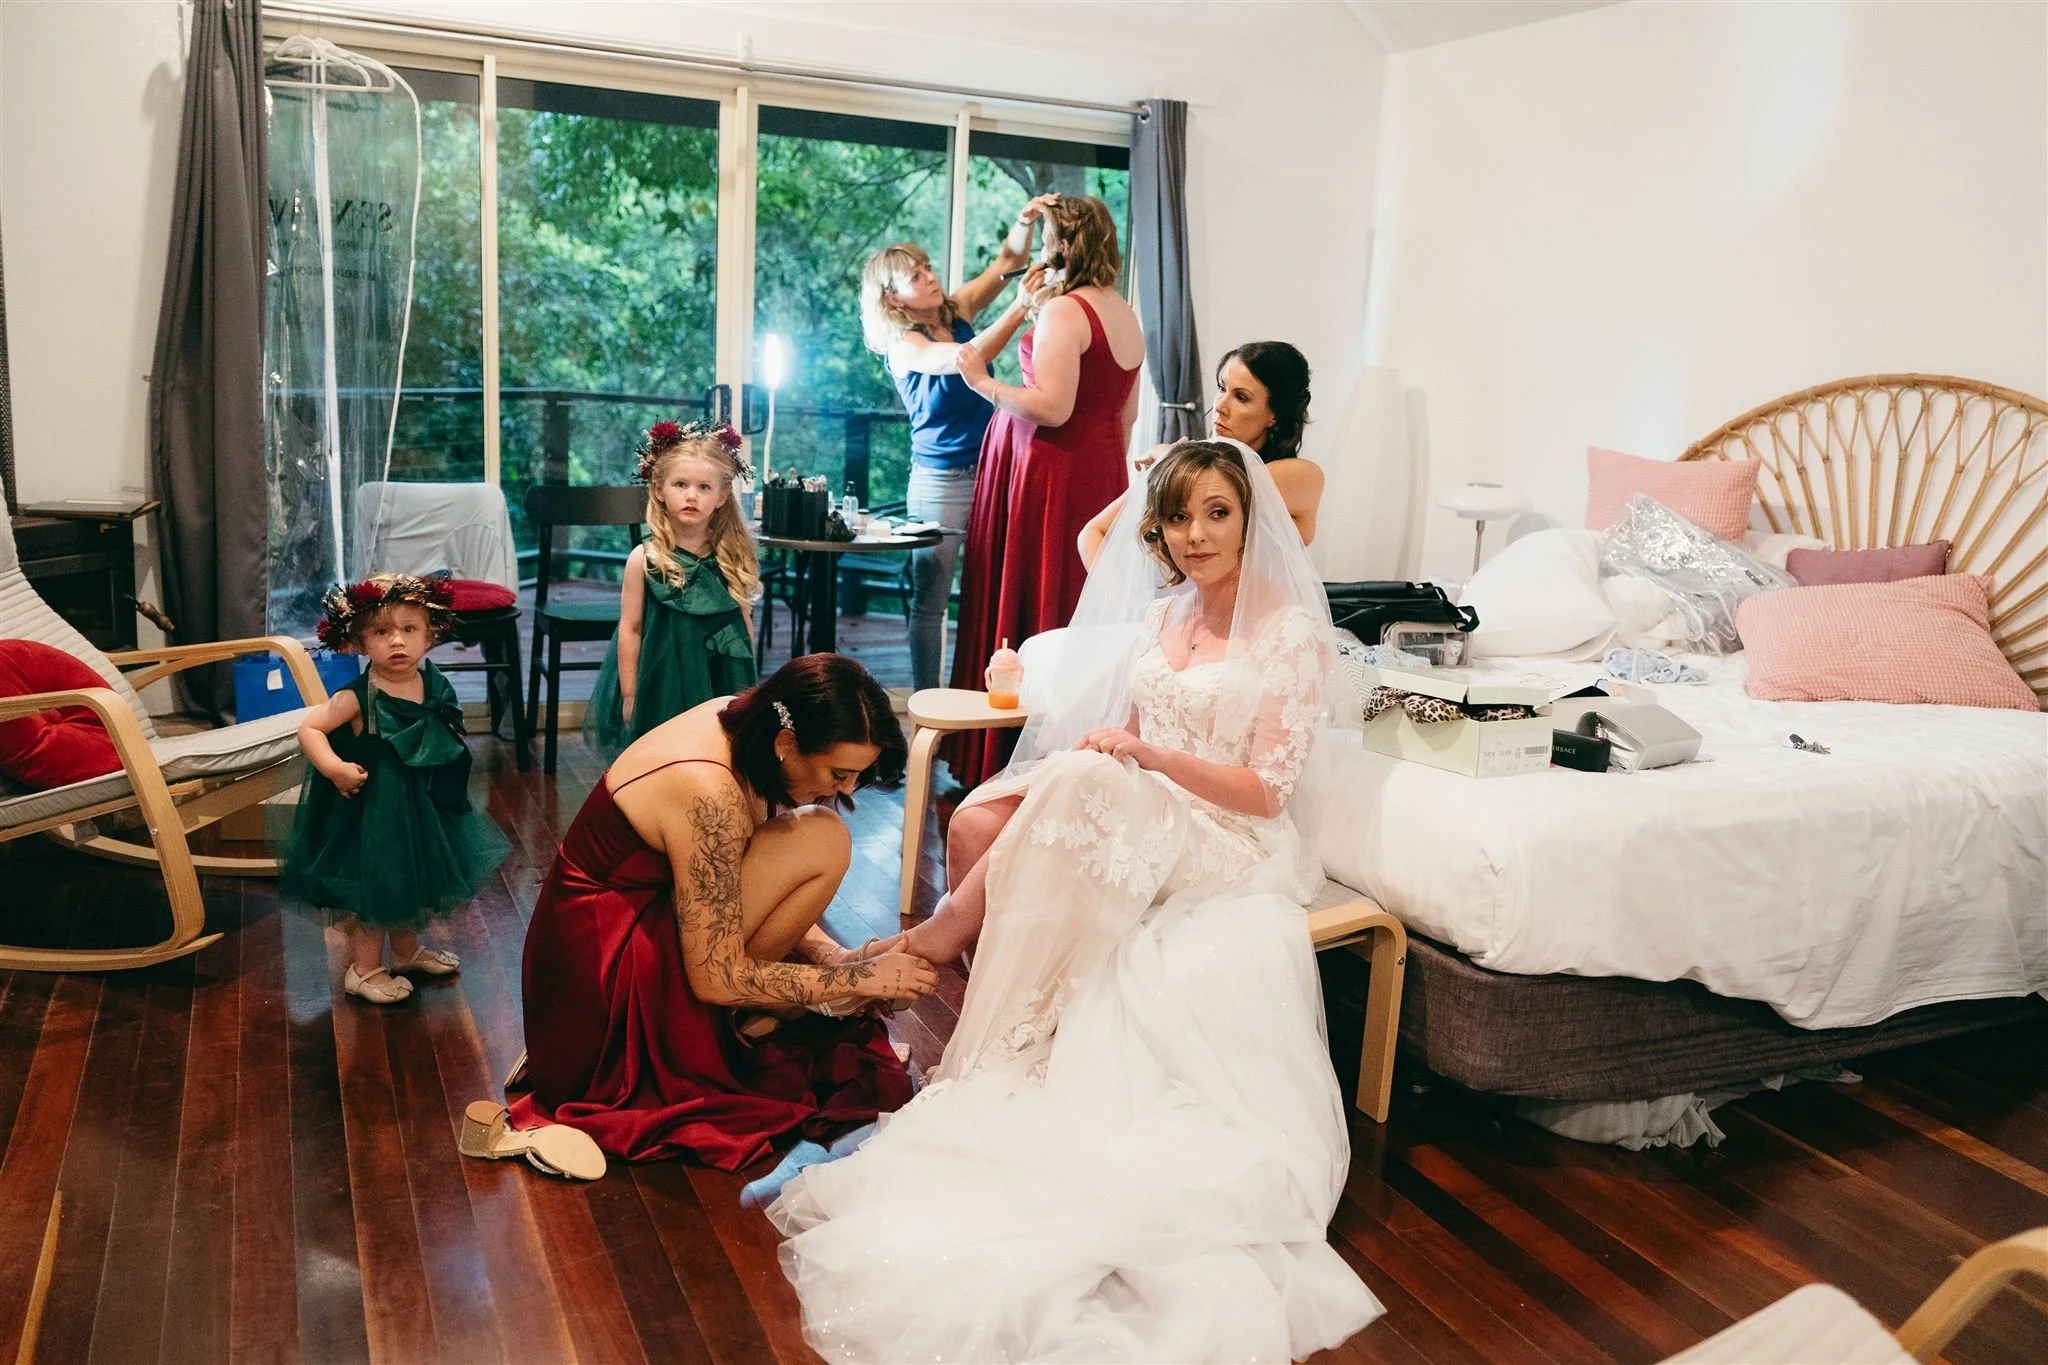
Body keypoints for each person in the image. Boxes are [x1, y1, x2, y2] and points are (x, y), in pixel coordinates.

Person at [769, 442, 1384, 1361]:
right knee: (1000, 805)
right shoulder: (1167, 608)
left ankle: (942, 936)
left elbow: (1269, 792)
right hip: (1148, 801)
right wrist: (1102, 758)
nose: (1197, 533)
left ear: (1252, 519)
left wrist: (1145, 762)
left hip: (1231, 836)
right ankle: (990, 996)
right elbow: (1127, 734)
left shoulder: (1287, 631)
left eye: (1218, 512)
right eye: (1180, 517)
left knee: (1086, 789)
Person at [508, 654, 937, 1169]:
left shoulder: (745, 723)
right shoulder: (708, 792)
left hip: (627, 929)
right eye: (838, 772)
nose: (846, 789)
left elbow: (738, 884)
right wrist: (858, 980)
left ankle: (749, 1017)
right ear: (787, 743)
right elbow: (716, 976)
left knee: (821, 834)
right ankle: (734, 1023)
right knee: (823, 835)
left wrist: (838, 959)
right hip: (599, 991)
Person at [947, 194, 1143, 788]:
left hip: (1049, 471)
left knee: (1035, 590)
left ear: (1060, 244)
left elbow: (1054, 408)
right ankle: (1068, 747)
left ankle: (1009, 756)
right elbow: (1125, 415)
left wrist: (984, 384)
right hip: (1099, 466)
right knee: (1075, 598)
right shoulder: (1124, 313)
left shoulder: (1066, 312)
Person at [282, 573, 510, 1005]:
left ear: (430, 635)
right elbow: (310, 728)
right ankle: (363, 969)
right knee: (381, 884)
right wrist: (334, 768)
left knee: (412, 878)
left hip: (419, 801)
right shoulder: (357, 697)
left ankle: (405, 953)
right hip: (376, 811)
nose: (397, 642)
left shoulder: (430, 680)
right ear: (359, 641)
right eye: (381, 632)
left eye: (410, 630)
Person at [859, 193, 1056, 692]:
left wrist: (1024, 219)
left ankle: (983, 697)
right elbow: (963, 360)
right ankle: (927, 701)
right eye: (915, 274)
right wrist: (1019, 308)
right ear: (893, 299)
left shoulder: (958, 308)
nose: (929, 275)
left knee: (989, 591)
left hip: (991, 470)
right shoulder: (904, 345)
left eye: (926, 266)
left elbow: (1009, 262)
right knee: (930, 601)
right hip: (938, 481)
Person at [587, 419, 760, 759]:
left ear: (722, 496)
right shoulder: (644, 559)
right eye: (681, 484)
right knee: (664, 757)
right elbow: (631, 629)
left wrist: (748, 690)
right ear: (659, 489)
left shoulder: (731, 559)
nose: (691, 495)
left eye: (704, 487)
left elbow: (744, 626)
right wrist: (630, 692)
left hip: (720, 678)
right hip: (661, 679)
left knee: (718, 754)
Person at [1080, 340, 1322, 568]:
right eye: (1222, 388)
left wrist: (1168, 455)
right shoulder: (1186, 465)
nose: (1219, 406)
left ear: (1275, 415)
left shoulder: (1301, 475)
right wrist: (1126, 604)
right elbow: (1093, 532)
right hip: (1183, 609)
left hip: (1264, 611)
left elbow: (1209, 485)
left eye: (1241, 397)